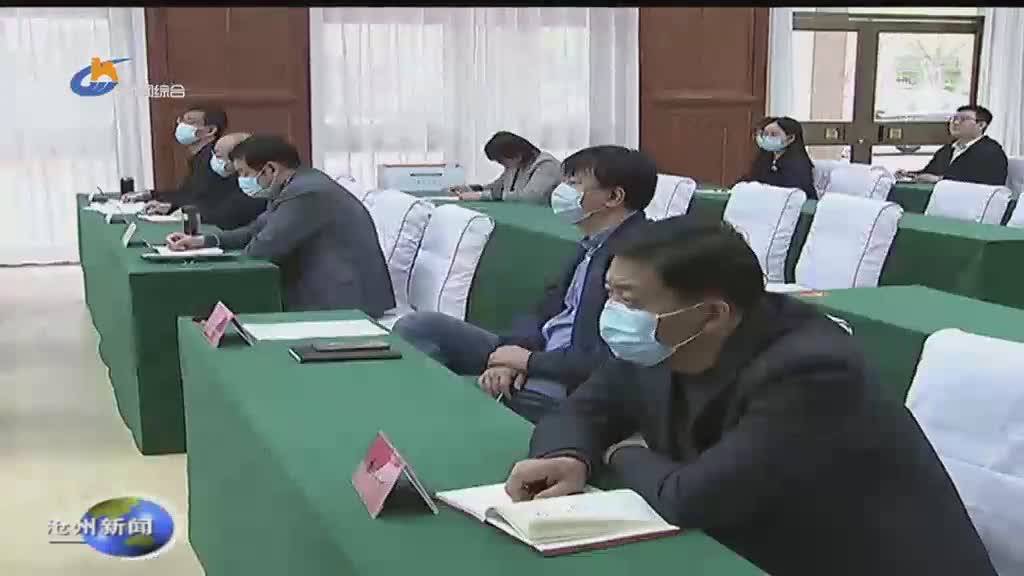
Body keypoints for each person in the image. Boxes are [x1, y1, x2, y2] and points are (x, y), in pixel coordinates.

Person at [504, 218, 998, 575]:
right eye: (611, 293)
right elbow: (584, 409)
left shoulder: (812, 370)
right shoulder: (661, 340)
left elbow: (693, 498)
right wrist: (570, 454)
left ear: (712, 313)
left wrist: (620, 452)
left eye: (628, 299)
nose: (613, 312)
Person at [394, 145, 656, 423]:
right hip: (541, 351)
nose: (562, 191)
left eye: (574, 184)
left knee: (523, 403)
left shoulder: (640, 257)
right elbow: (543, 310)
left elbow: (609, 362)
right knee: (418, 327)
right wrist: (513, 355)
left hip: (573, 375)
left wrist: (529, 363)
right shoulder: (589, 245)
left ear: (613, 197)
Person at [164, 134, 395, 316]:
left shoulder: (307, 193)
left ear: (270, 169)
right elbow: (256, 230)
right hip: (320, 289)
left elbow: (262, 248)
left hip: (343, 301)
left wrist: (218, 258)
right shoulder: (294, 185)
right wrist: (204, 241)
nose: (241, 180)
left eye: (245, 173)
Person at [122, 104, 229, 214]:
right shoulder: (199, 157)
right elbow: (186, 194)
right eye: (181, 120)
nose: (181, 125)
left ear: (210, 130)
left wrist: (172, 207)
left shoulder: (216, 159)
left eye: (189, 121)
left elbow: (207, 201)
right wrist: (150, 195)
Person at [895, 105, 1008, 186]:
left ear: (981, 125)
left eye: (963, 119)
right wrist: (909, 174)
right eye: (953, 118)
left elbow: (982, 182)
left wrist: (939, 180)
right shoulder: (947, 149)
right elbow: (929, 172)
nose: (955, 123)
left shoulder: (991, 151)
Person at [449, 131, 561, 205]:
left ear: (517, 155)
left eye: (501, 160)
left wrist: (481, 196)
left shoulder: (546, 165)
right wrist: (473, 189)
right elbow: (497, 187)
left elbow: (530, 198)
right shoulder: (516, 165)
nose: (502, 164)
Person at [200, 132, 268, 230]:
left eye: (219, 156)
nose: (214, 161)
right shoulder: (227, 179)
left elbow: (226, 216)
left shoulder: (258, 192)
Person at [738, 116, 817, 199]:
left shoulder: (799, 164)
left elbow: (791, 190)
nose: (767, 138)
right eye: (765, 134)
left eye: (773, 134)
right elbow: (751, 178)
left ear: (790, 138)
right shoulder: (765, 157)